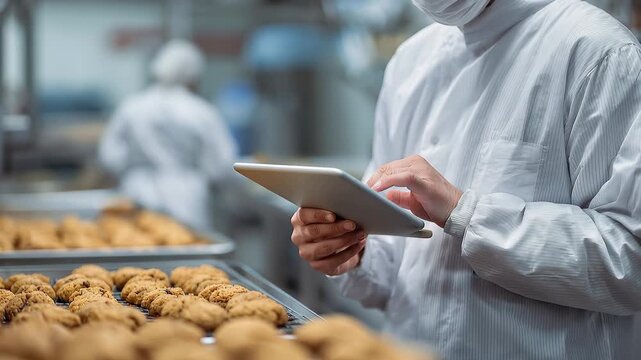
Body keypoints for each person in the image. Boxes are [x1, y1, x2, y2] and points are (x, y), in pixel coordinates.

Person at [290, 0, 641, 359]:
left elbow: (630, 261)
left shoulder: (598, 52)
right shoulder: (412, 61)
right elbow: (395, 270)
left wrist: (467, 213)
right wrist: (349, 248)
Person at [99, 40, 237, 231]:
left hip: (137, 192)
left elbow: (110, 158)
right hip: (187, 197)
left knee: (137, 250)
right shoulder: (202, 111)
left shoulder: (132, 106)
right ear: (193, 77)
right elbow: (222, 166)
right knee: (188, 252)